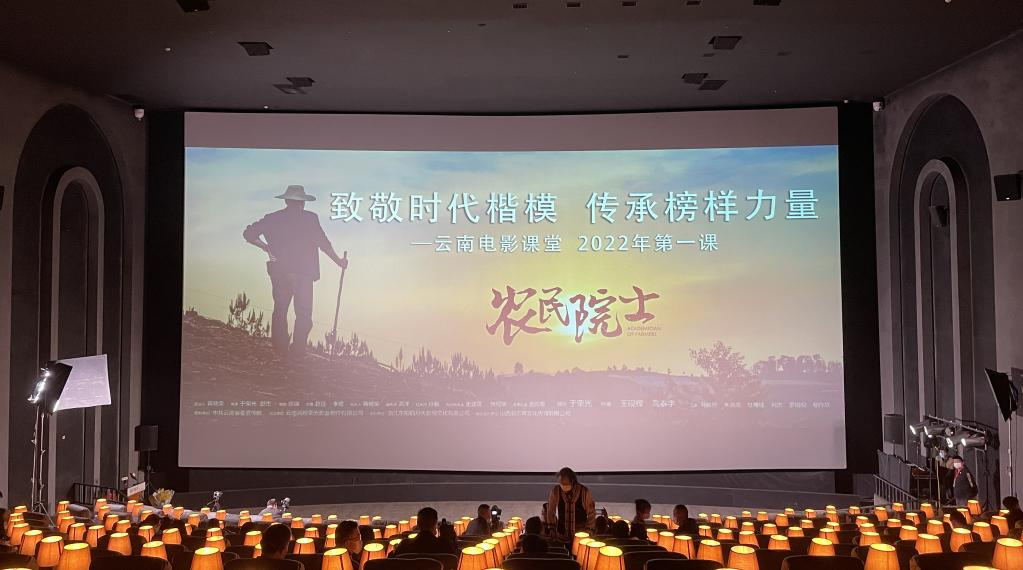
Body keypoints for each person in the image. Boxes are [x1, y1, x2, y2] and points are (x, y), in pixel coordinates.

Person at [243, 184, 348, 358]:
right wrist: (339, 262)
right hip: (303, 273)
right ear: (302, 202)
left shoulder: (272, 218)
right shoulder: (310, 219)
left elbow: (249, 234)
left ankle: (280, 350)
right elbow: (323, 244)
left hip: (280, 271)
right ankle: (298, 351)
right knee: (304, 314)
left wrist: (266, 247)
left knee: (280, 309)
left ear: (286, 201)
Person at [544, 467, 596, 540]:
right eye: (561, 483)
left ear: (572, 481)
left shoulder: (584, 492)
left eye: (565, 483)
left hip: (580, 535)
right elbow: (551, 510)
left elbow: (591, 513)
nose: (563, 486)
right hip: (562, 535)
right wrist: (551, 527)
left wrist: (589, 529)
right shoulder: (556, 491)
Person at [391, 507, 457, 556]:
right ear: (435, 523)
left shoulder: (404, 545)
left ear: (418, 524)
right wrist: (450, 539)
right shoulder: (444, 546)